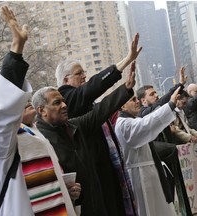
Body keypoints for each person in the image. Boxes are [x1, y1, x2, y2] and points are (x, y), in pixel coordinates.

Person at [0, 6, 75, 215]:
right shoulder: (1, 141)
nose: (24, 100)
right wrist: (16, 49)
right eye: (16, 100)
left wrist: (64, 189)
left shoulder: (33, 132)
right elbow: (0, 116)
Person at [54, 34, 142, 216]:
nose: (85, 76)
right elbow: (94, 89)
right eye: (79, 74)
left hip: (104, 165)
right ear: (65, 80)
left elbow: (99, 106)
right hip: (93, 170)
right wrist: (125, 62)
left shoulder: (81, 98)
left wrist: (125, 89)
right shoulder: (67, 97)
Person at [32, 67, 136, 216]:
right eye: (56, 103)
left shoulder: (75, 126)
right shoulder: (39, 143)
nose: (64, 105)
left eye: (63, 101)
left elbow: (101, 111)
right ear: (42, 110)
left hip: (98, 206)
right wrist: (63, 191)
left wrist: (126, 88)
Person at [114, 87, 181, 216]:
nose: (137, 101)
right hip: (140, 176)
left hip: (147, 172)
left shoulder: (132, 120)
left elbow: (148, 120)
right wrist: (170, 104)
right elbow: (147, 124)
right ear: (122, 106)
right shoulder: (123, 124)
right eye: (133, 100)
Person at [137, 66, 192, 215]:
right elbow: (161, 103)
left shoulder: (157, 110)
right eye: (151, 94)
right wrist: (178, 86)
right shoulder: (144, 113)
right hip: (157, 163)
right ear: (143, 100)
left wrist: (180, 85)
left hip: (168, 160)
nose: (156, 95)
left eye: (155, 92)